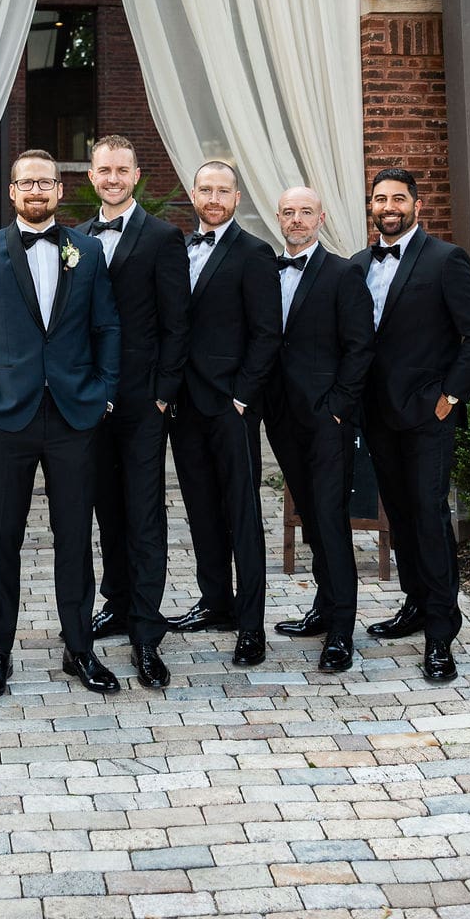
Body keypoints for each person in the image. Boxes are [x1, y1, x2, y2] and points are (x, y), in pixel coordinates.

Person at [0, 148, 122, 699]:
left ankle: (80, 648)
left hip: (74, 415)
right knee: (2, 537)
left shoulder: (87, 251)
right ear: (12, 191)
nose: (36, 191)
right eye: (26, 183)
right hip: (6, 417)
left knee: (75, 535)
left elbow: (107, 327)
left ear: (59, 189)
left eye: (45, 182)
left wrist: (104, 394)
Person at [353, 167, 470, 683]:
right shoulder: (358, 264)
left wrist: (450, 396)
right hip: (377, 415)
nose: (388, 207)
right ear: (371, 207)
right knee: (401, 516)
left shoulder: (445, 260)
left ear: (417, 205)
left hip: (427, 416)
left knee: (430, 518)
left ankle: (441, 632)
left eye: (398, 198)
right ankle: (415, 605)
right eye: (380, 199)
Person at [75, 134, 190, 690]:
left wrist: (164, 392)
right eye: (105, 170)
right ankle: (117, 603)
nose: (114, 178)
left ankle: (146, 630)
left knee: (144, 514)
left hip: (144, 400)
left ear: (137, 175)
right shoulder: (75, 239)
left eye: (123, 170)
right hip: (89, 400)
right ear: (91, 176)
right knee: (106, 509)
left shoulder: (164, 237)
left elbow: (177, 323)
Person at [168, 160, 281, 666]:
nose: (213, 199)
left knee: (242, 514)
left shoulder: (255, 253)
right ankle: (216, 602)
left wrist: (242, 396)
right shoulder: (178, 249)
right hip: (185, 406)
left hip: (231, 407)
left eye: (223, 191)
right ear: (193, 194)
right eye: (206, 190)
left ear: (237, 198)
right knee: (200, 509)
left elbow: (267, 332)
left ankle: (251, 625)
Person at [263, 186, 375, 673]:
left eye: (305, 212)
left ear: (321, 218)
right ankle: (323, 608)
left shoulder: (343, 273)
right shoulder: (267, 271)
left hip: (328, 420)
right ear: (278, 218)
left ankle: (342, 631)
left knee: (330, 520)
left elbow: (361, 347)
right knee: (311, 517)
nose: (296, 219)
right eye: (288, 212)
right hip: (282, 417)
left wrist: (338, 408)